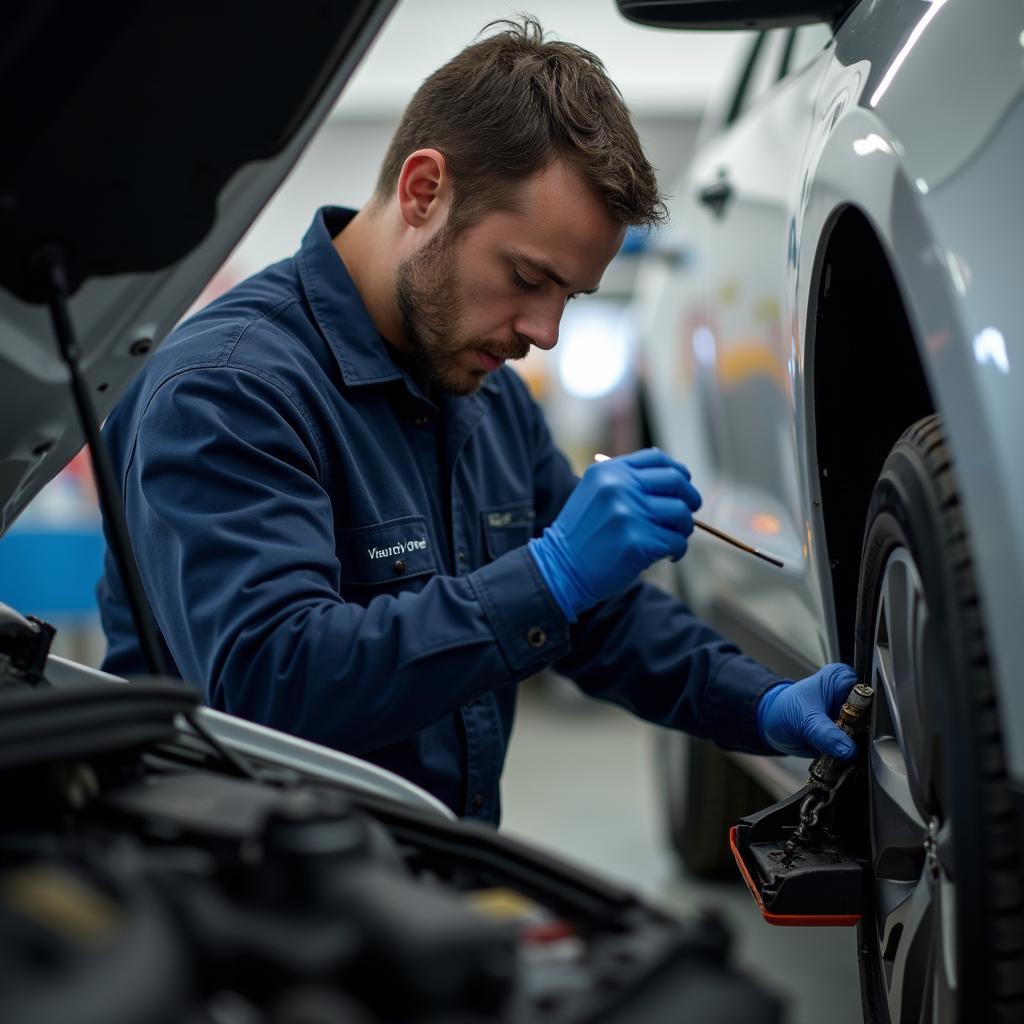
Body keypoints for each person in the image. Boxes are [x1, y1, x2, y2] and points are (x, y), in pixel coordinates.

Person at [97, 18, 858, 822]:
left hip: (428, 885)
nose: (546, 332)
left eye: (568, 296)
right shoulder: (228, 390)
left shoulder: (481, 394)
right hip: (238, 902)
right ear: (425, 191)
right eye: (529, 276)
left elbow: (601, 616)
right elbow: (274, 685)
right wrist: (548, 574)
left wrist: (762, 702)